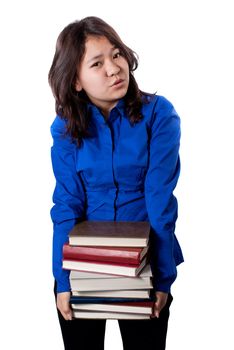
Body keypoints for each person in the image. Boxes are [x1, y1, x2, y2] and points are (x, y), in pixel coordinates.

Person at [48, 16, 184, 350]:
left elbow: (159, 202)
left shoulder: (159, 115)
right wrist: (62, 281)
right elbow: (67, 204)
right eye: (97, 63)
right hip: (82, 261)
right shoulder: (65, 127)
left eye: (117, 54)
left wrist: (162, 278)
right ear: (76, 80)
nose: (114, 68)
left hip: (145, 263)